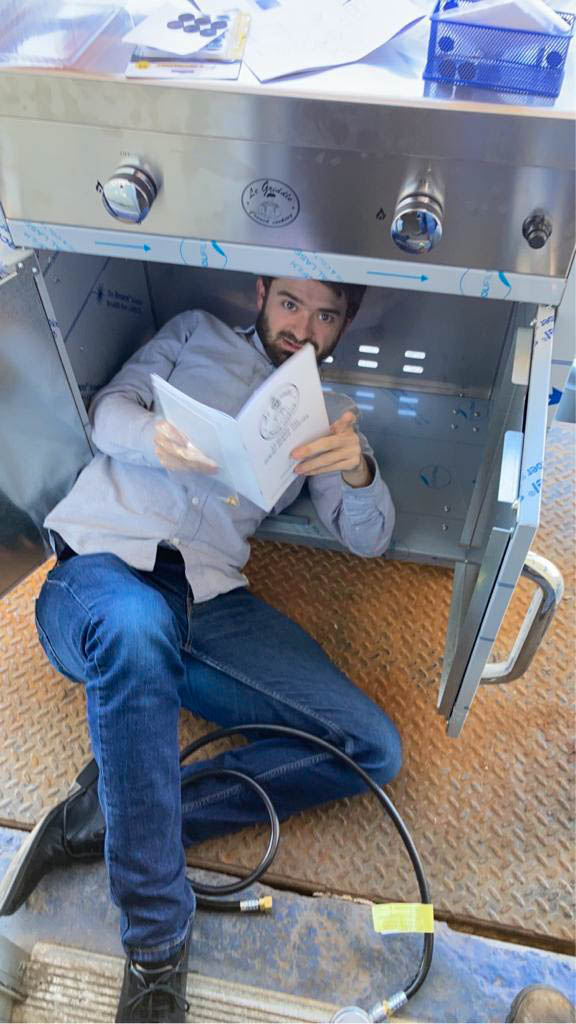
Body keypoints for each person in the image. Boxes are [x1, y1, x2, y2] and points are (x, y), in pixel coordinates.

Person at [0, 275, 401, 1023]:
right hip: (101, 570)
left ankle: (113, 816)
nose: (303, 327)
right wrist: (155, 438)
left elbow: (369, 536)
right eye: (291, 304)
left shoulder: (326, 415)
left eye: (325, 315)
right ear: (261, 292)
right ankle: (156, 943)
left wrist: (357, 467)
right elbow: (107, 412)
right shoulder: (193, 332)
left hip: (208, 599)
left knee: (372, 749)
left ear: (345, 323)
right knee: (133, 628)